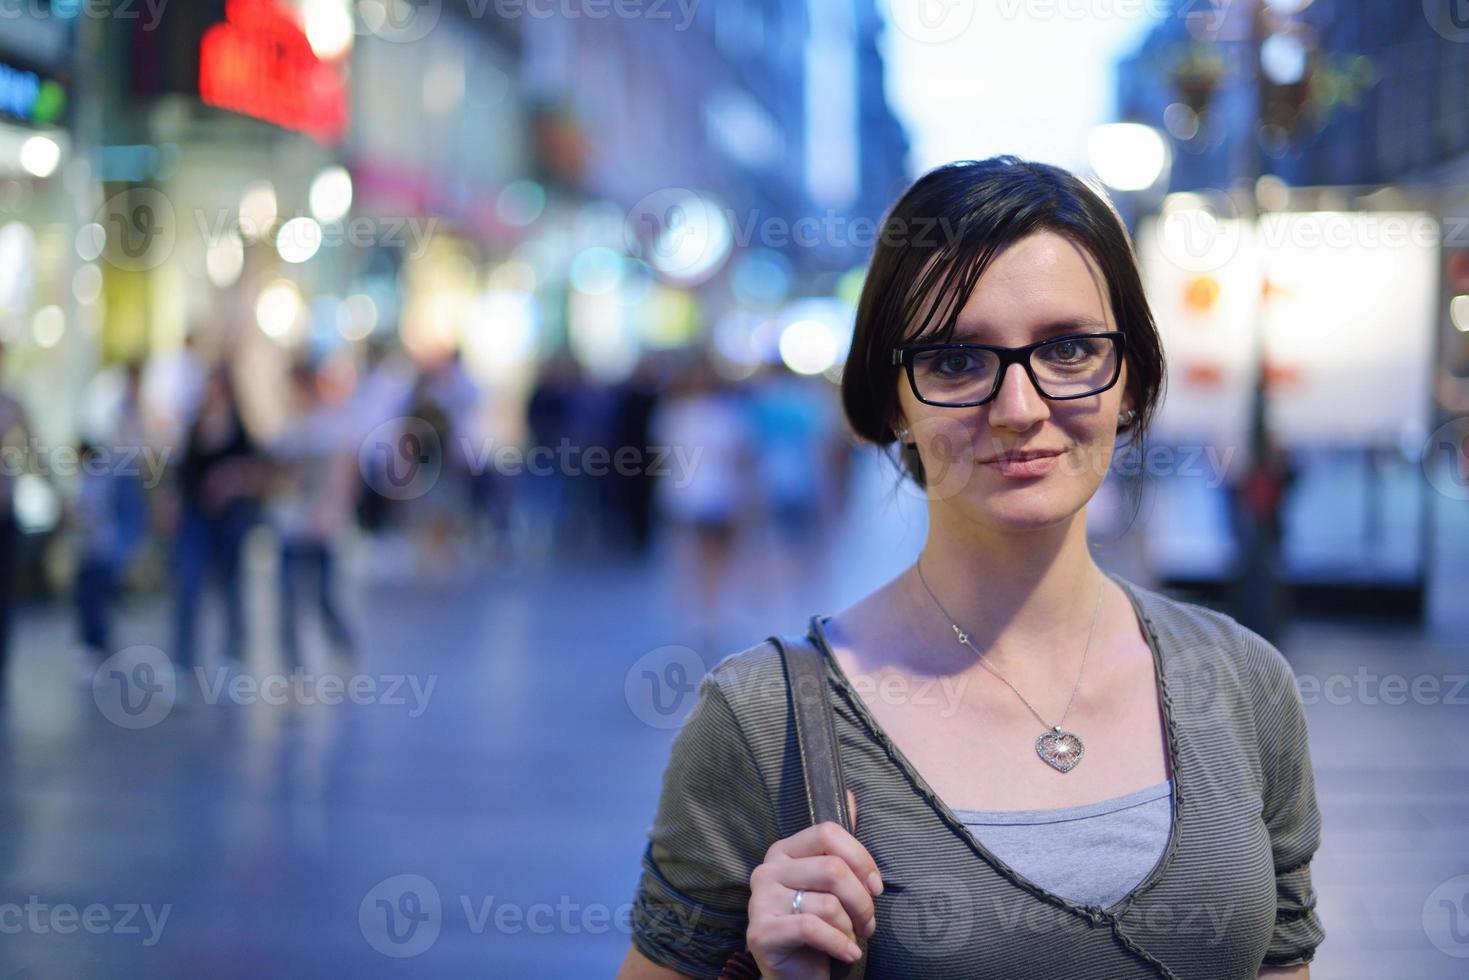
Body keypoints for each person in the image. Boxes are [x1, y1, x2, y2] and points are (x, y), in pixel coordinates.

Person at [618, 157, 1324, 978]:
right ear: (892, 401)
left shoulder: (1243, 687)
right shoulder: (761, 722)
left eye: (1067, 348)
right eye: (956, 361)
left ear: (1127, 378)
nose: (1020, 408)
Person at [268, 362, 357, 672]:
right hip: (289, 523)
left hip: (318, 525)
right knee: (288, 598)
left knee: (323, 596)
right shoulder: (287, 429)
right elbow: (275, 477)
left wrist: (330, 513)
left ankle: (342, 645)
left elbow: (340, 477)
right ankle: (293, 666)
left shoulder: (329, 427)